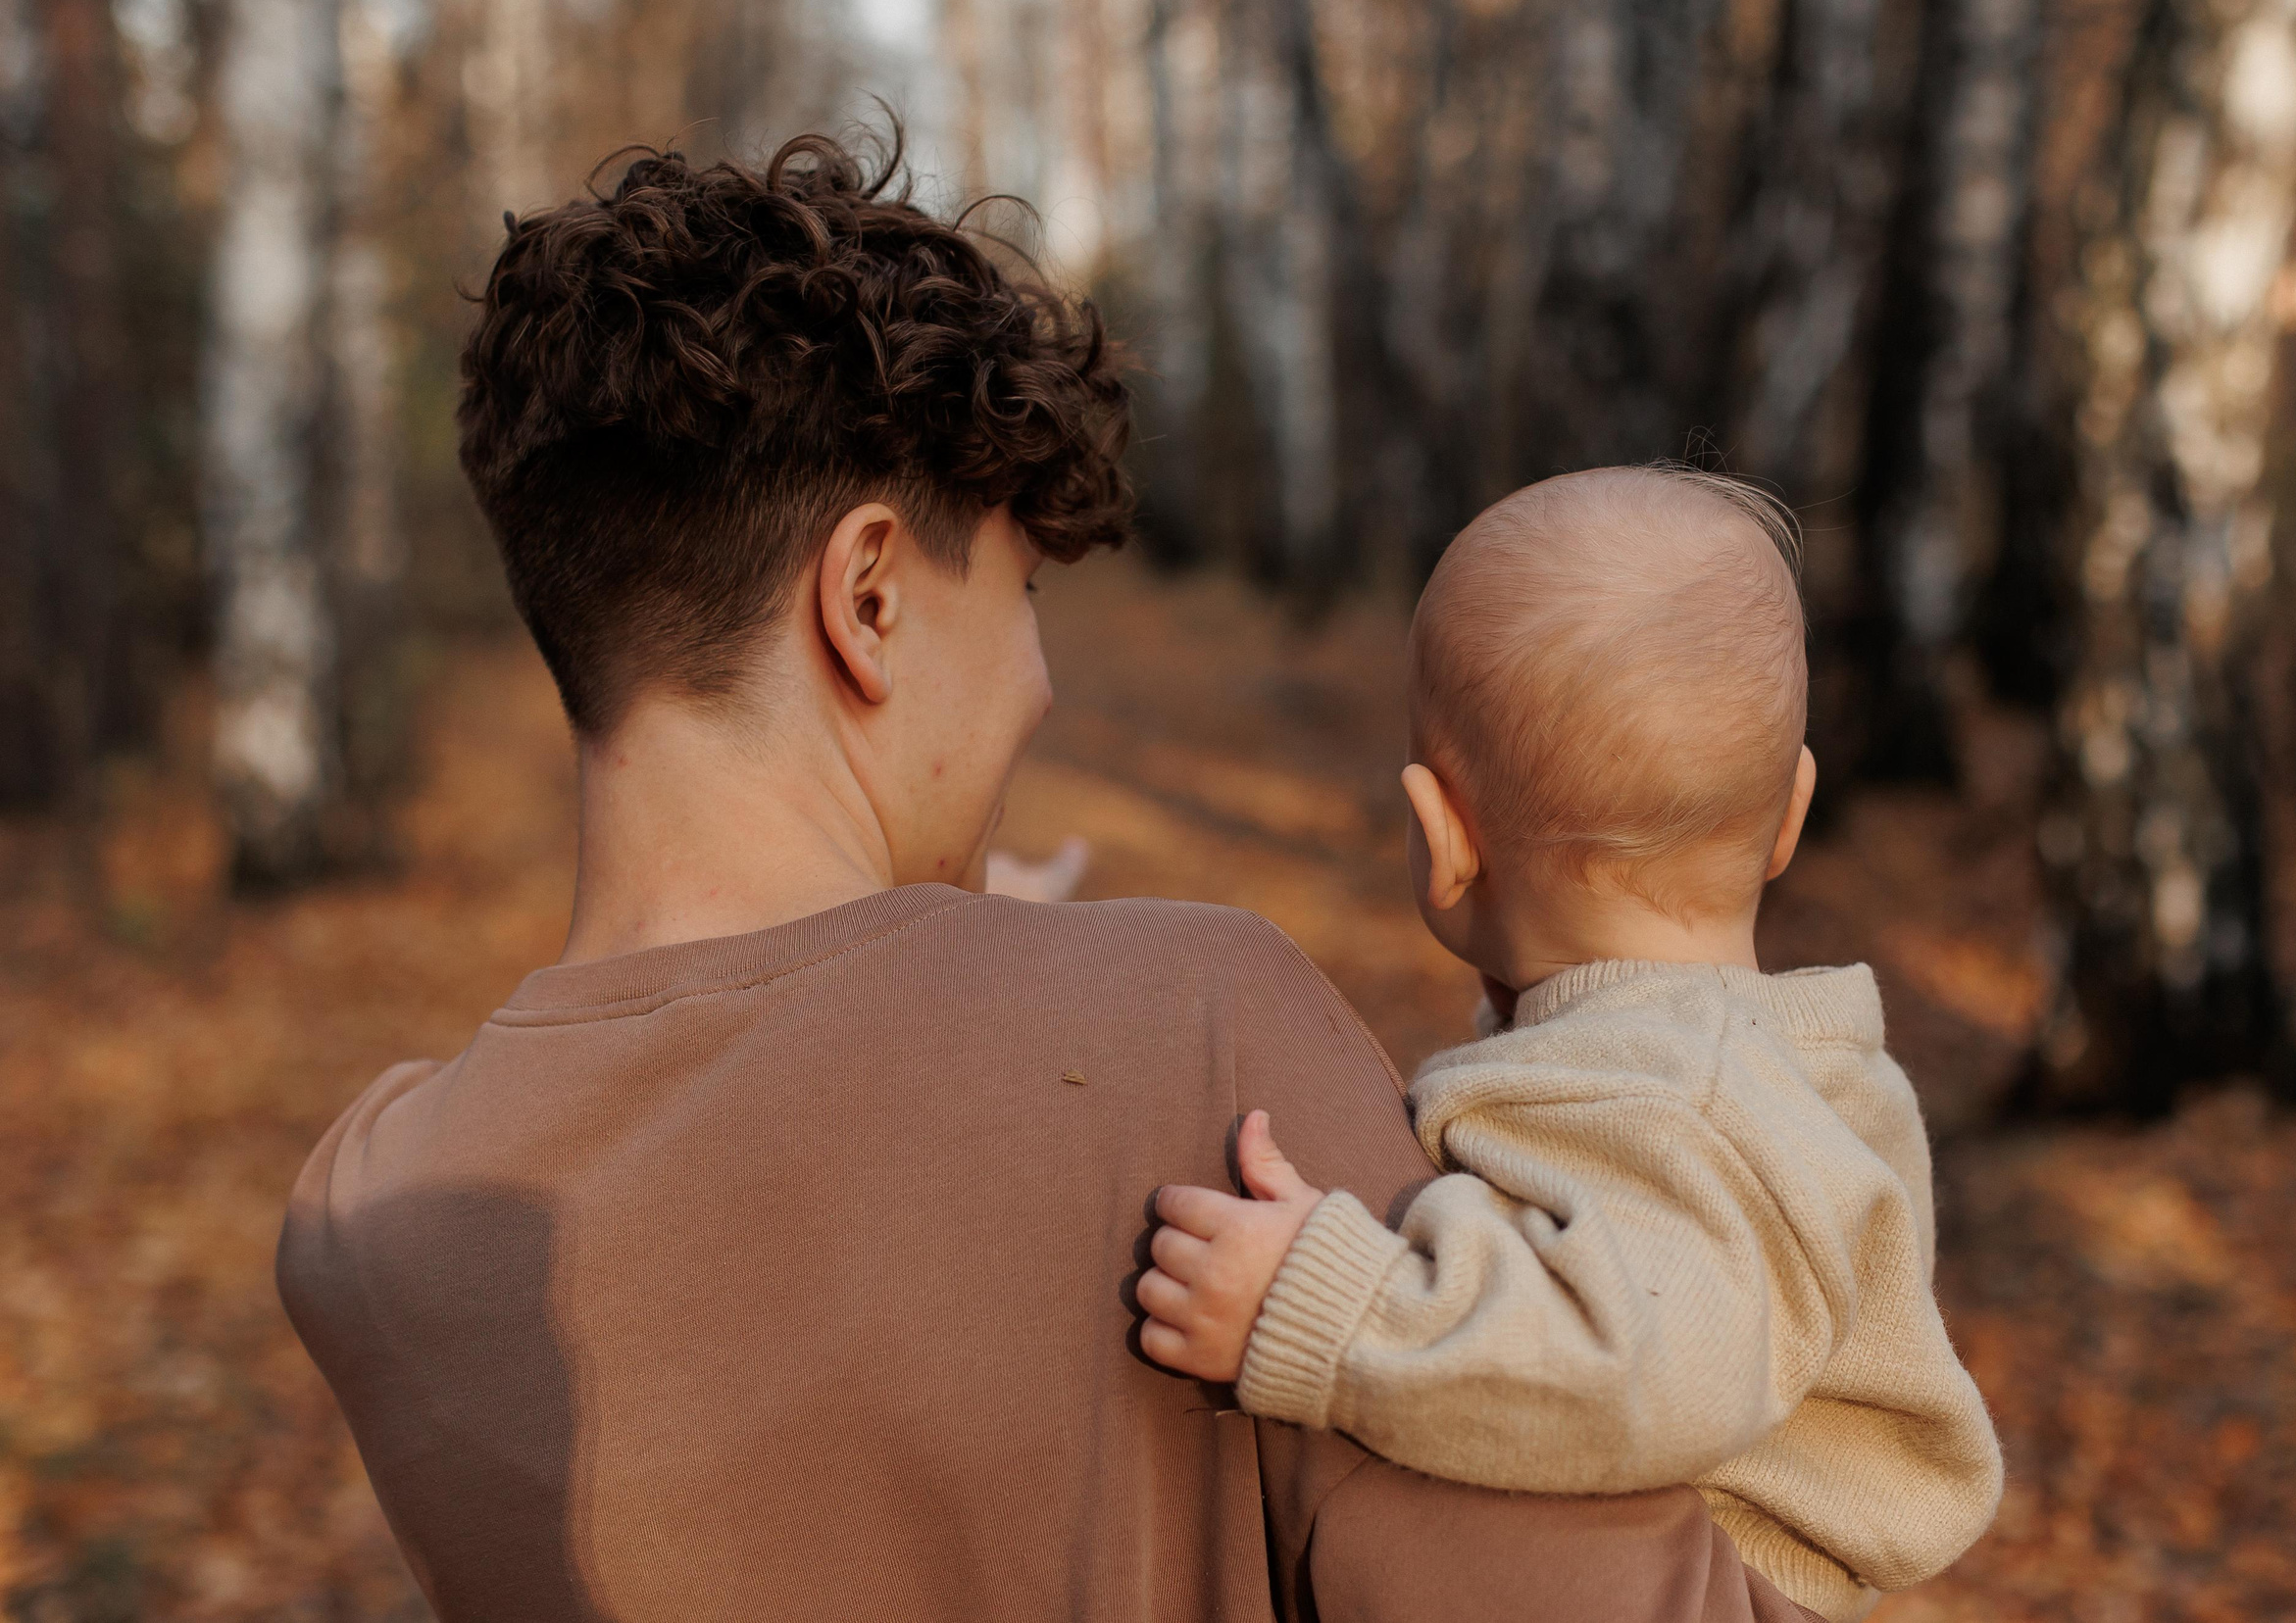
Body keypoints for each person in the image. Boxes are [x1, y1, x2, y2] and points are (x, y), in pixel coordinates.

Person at [274, 136, 1821, 1623]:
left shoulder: (373, 1212)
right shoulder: (1184, 1030)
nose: (1038, 689)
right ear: (867, 597)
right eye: (1018, 593)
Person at [1137, 468, 2005, 1622]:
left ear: (1438, 841)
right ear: (1791, 816)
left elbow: (1629, 1362)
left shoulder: (1682, 1101)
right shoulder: (1674, 1067)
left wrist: (1333, 1305)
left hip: (1716, 1583)